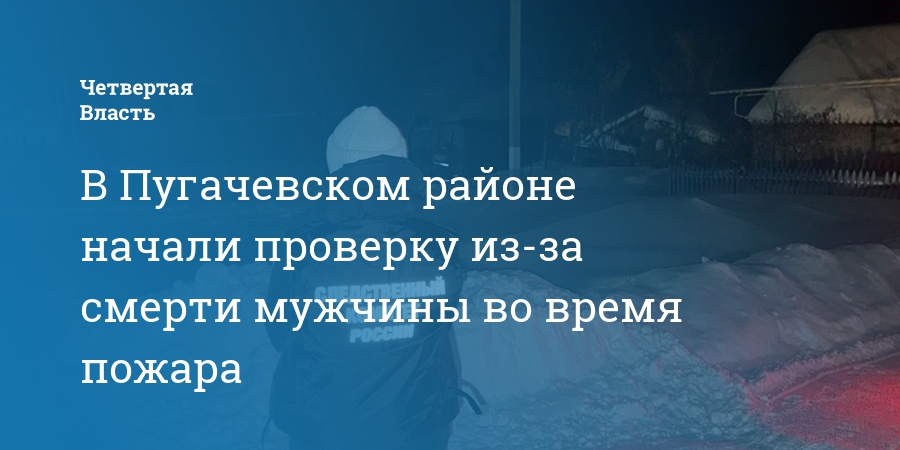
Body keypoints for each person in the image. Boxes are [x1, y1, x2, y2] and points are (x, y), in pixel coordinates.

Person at [265, 106, 464, 450]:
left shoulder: (302, 252)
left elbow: (281, 332)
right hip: (418, 426)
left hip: (324, 427)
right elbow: (441, 318)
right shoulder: (440, 244)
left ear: (336, 169)